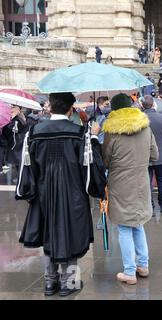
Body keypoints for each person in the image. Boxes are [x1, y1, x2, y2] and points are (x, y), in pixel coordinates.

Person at [17, 92, 106, 297]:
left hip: (44, 192)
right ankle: (69, 283)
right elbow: (90, 168)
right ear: (70, 109)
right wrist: (92, 136)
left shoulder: (35, 132)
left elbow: (28, 168)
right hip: (72, 193)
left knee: (48, 234)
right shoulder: (78, 132)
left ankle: (50, 283)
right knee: (71, 235)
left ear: (50, 107)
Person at [102, 94, 158, 285]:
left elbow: (105, 161)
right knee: (138, 223)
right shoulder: (145, 128)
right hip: (142, 182)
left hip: (120, 185)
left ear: (114, 110)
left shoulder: (112, 132)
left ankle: (129, 271)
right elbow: (155, 155)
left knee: (124, 227)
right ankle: (143, 265)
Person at [143, 95, 162, 213]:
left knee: (147, 181)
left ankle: (150, 205)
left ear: (143, 105)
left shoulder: (140, 119)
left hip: (145, 155)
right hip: (161, 155)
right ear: (153, 105)